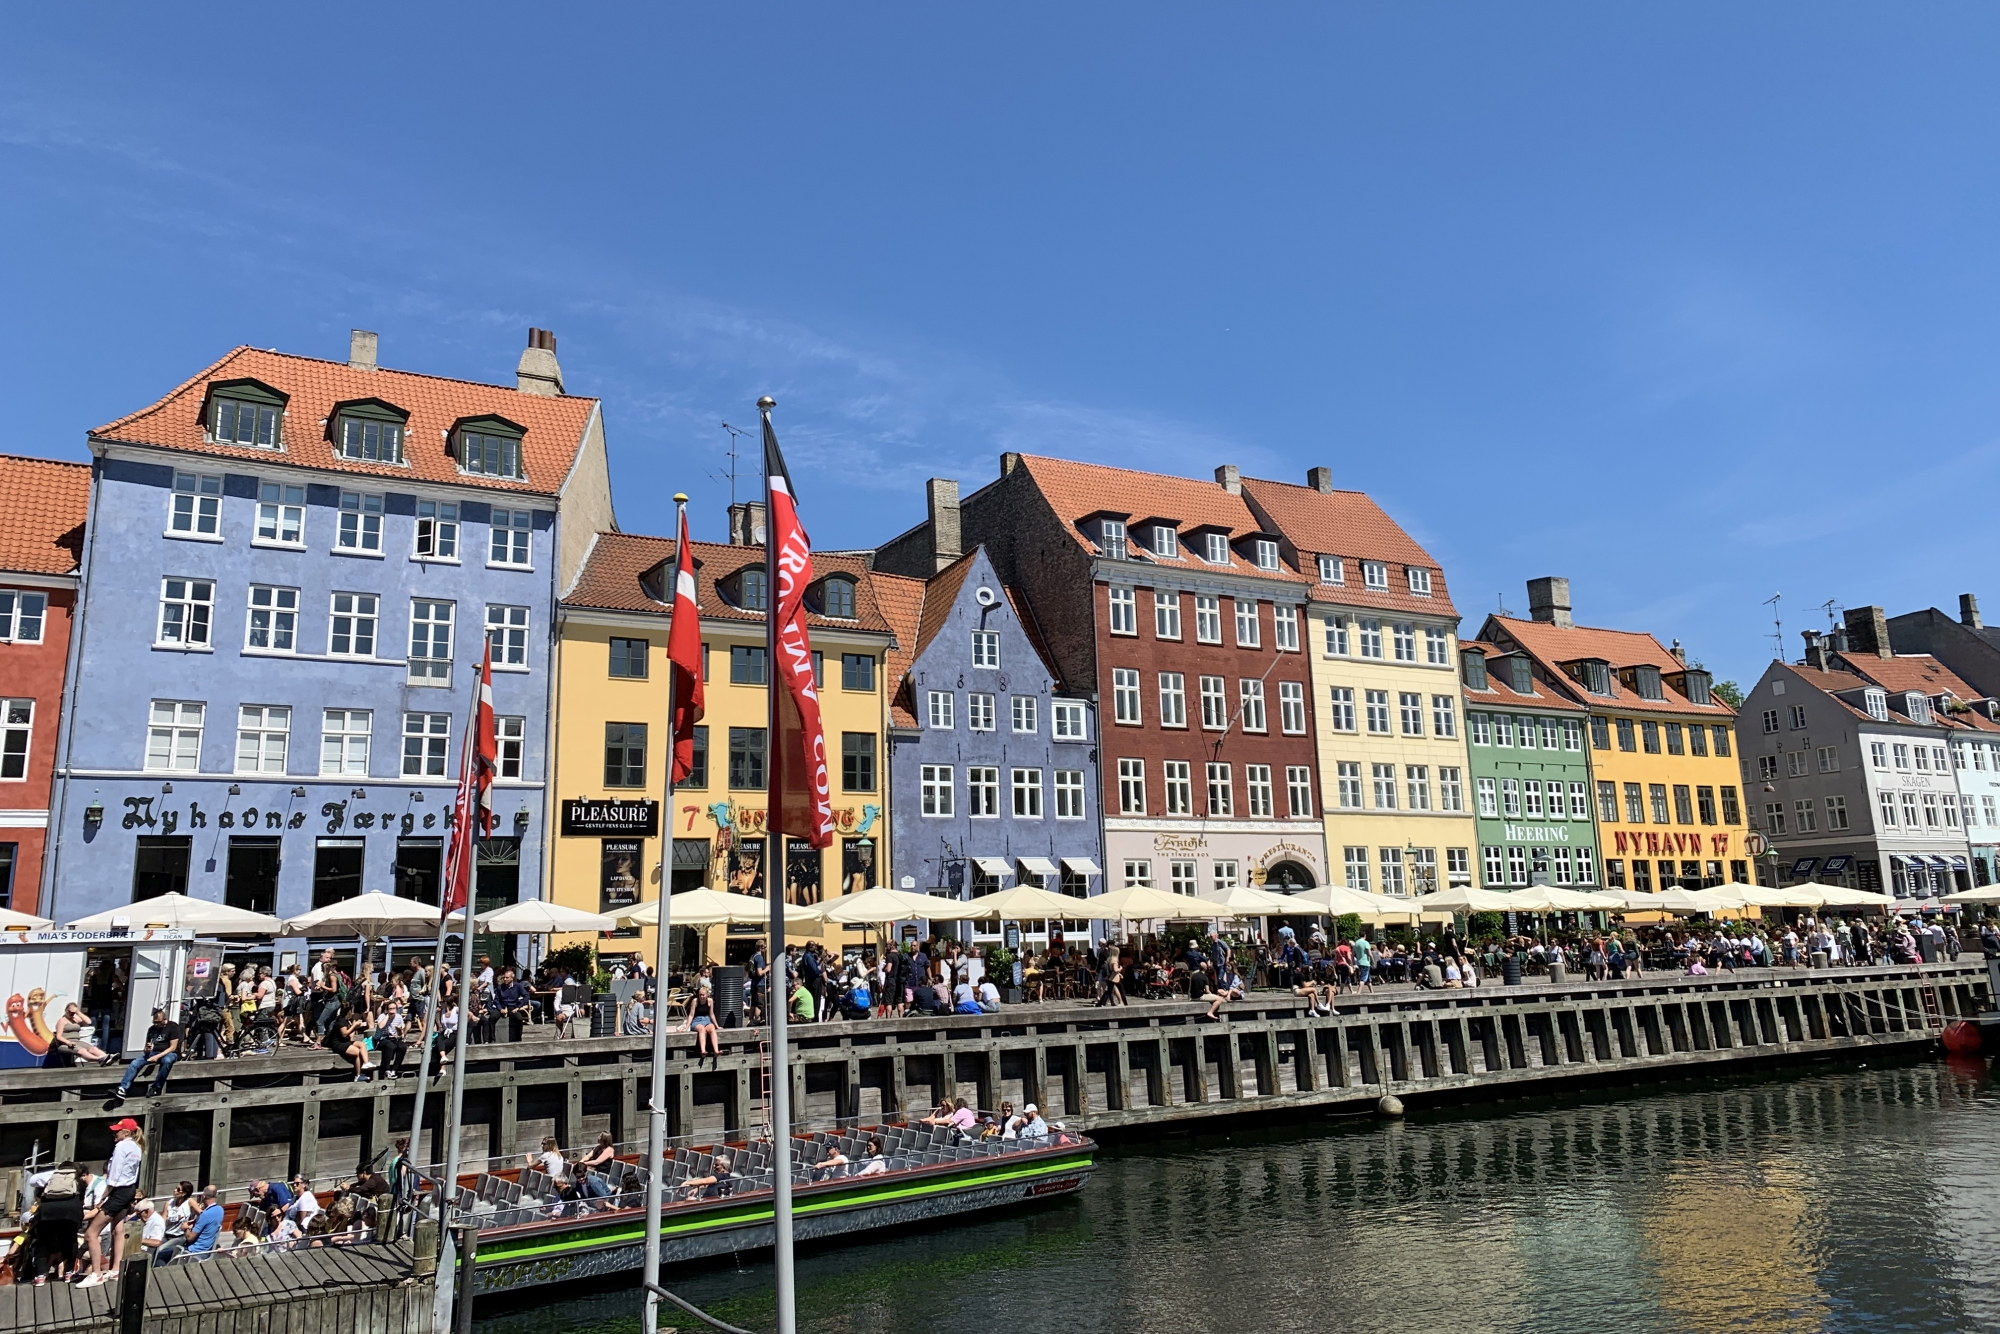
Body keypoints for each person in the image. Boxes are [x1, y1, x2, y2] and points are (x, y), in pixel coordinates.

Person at [78, 1116, 144, 1287]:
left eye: (117, 1131)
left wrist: (103, 1198)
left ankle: (96, 1274)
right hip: (129, 1189)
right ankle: (115, 1270)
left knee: (91, 1233)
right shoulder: (136, 1147)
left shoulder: (121, 1147)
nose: (114, 1134)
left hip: (118, 1191)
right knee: (118, 1229)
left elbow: (114, 1175)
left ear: (126, 1132)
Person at [111, 1005, 181, 1103]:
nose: (156, 1024)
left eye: (158, 1022)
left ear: (164, 1020)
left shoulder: (173, 1026)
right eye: (154, 1022)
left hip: (169, 1053)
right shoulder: (151, 1029)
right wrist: (147, 1049)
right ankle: (123, 1088)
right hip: (154, 1052)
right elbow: (146, 1049)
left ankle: (157, 1088)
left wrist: (157, 1056)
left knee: (167, 1061)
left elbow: (173, 1047)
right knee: (135, 1063)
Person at [30, 1160, 84, 1285]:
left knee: (43, 1242)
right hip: (71, 1211)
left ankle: (40, 1276)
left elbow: (32, 1181)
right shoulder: (78, 1181)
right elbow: (81, 1201)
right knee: (70, 1241)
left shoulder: (51, 1178)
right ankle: (69, 1273)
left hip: (47, 1212)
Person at [49, 1001, 115, 1067]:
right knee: (82, 1050)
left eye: (73, 1012)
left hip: (77, 1042)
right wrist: (68, 1042)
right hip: (65, 1044)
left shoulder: (75, 1019)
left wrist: (78, 1012)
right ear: (66, 1010)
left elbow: (89, 1022)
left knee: (93, 1048)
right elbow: (58, 1036)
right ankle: (99, 1059)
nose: (71, 1013)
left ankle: (107, 1057)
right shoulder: (62, 1021)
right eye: (69, 1011)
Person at [492, 968, 535, 1041]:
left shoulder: (518, 986)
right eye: (504, 978)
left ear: (512, 978)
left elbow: (526, 996)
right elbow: (496, 999)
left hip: (513, 1006)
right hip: (502, 1006)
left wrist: (518, 1007)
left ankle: (518, 1039)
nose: (505, 979)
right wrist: (500, 1009)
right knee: (492, 1017)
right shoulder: (500, 987)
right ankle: (492, 1039)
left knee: (519, 1019)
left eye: (507, 978)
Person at [685, 984, 721, 1065]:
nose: (701, 996)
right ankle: (703, 1051)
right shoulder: (695, 1001)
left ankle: (716, 1051)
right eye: (700, 995)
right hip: (697, 1020)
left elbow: (711, 1014)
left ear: (707, 994)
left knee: (712, 1028)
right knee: (702, 1029)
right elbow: (691, 1015)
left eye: (703, 995)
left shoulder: (710, 1001)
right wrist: (687, 1027)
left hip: (706, 1019)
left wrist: (717, 1026)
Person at [185, 1187, 224, 1255]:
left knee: (165, 1253)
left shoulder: (204, 1215)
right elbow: (208, 1225)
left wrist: (185, 1228)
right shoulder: (220, 1210)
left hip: (194, 1251)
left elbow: (189, 1238)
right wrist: (196, 1222)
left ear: (203, 1196)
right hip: (207, 1249)